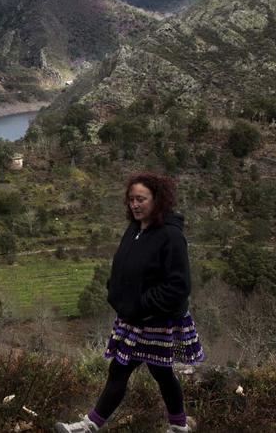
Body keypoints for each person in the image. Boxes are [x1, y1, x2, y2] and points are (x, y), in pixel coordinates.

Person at [56, 172, 205, 433]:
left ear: (158, 200)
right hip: (133, 317)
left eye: (141, 199)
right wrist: (115, 291)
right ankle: (176, 425)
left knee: (141, 370)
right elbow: (124, 266)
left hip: (156, 319)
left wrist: (142, 306)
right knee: (137, 370)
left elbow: (179, 286)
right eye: (131, 199)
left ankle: (92, 425)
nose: (134, 205)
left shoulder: (171, 236)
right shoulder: (136, 229)